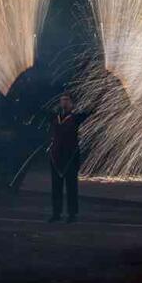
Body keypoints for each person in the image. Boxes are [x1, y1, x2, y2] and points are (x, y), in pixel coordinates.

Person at [48, 93, 86, 223]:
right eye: (62, 100)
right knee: (56, 187)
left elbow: (90, 112)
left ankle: (72, 214)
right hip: (56, 156)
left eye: (67, 100)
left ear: (72, 103)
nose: (64, 102)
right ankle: (56, 213)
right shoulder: (55, 117)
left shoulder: (75, 117)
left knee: (71, 187)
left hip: (70, 156)